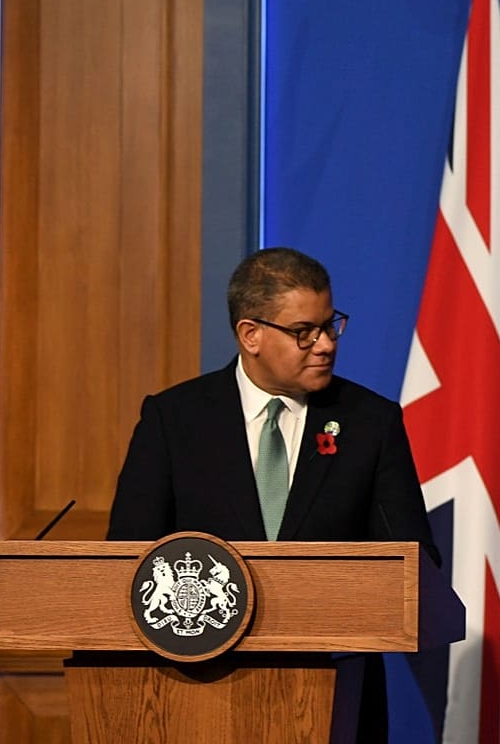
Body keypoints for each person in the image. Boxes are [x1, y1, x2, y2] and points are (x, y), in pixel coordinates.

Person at [108, 246, 438, 744]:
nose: (325, 344)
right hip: (197, 698)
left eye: (331, 325)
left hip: (335, 701)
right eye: (304, 332)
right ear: (251, 334)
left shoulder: (370, 422)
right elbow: (127, 561)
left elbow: (415, 563)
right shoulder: (174, 420)